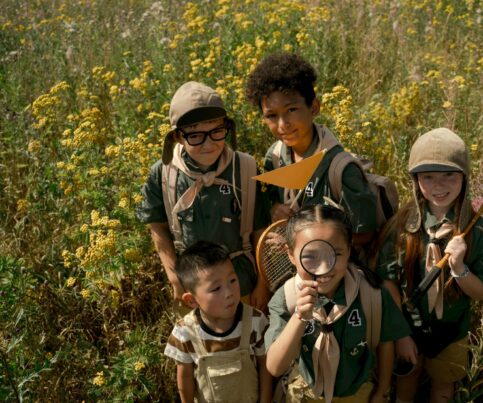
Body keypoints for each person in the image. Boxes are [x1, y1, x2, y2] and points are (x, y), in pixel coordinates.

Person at [372, 128, 483, 402]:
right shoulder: (401, 227)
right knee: (406, 383)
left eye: (449, 176)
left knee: (443, 387)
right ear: (415, 180)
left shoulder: (479, 231)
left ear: (464, 178)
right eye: (428, 177)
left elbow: (482, 292)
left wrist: (459, 267)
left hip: (452, 331)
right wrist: (401, 333)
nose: (438, 186)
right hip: (407, 327)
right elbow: (388, 281)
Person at [137, 81, 271, 311]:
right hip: (192, 289)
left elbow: (259, 230)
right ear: (178, 137)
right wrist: (174, 279)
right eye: (196, 136)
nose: (208, 144)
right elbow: (157, 227)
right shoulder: (163, 173)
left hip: (242, 285)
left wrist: (263, 283)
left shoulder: (245, 168)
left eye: (217, 132)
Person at [265, 204, 412, 403]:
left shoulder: (373, 295)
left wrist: (382, 390)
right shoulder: (286, 298)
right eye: (310, 256)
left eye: (335, 253)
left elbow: (385, 344)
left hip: (358, 395)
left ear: (350, 249)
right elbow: (275, 367)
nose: (324, 267)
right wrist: (299, 317)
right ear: (290, 254)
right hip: (305, 394)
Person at [245, 52, 377, 251]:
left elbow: (365, 234)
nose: (283, 125)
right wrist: (275, 209)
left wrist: (301, 240)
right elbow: (267, 206)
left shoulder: (341, 169)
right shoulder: (274, 157)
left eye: (291, 110)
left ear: (314, 107)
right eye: (271, 116)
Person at [164, 240, 272, 403]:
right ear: (192, 300)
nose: (229, 292)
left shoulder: (255, 321)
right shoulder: (185, 332)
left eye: (233, 280)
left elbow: (265, 367)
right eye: (216, 289)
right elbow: (185, 377)